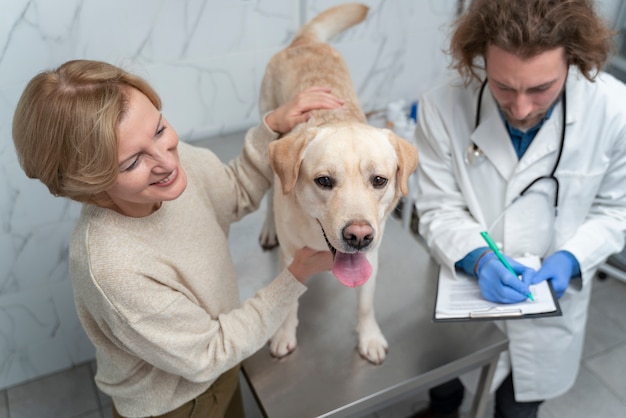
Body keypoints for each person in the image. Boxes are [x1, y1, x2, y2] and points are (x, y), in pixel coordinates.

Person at [12, 59, 345, 418]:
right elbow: (207, 354)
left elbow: (230, 193)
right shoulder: (112, 268)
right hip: (176, 404)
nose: (167, 161)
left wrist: (272, 128)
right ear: (89, 184)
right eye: (132, 162)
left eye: (159, 129)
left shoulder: (173, 162)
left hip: (221, 361)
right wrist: (293, 277)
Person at [412, 0, 626, 417]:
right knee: (445, 387)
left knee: (518, 404)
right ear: (481, 59)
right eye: (503, 87)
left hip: (550, 315)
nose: (522, 108)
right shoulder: (442, 107)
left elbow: (616, 211)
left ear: (574, 61)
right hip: (463, 294)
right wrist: (478, 259)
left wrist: (572, 258)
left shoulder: (615, 112)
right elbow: (438, 209)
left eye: (541, 88)